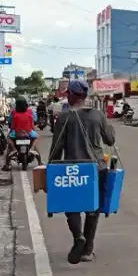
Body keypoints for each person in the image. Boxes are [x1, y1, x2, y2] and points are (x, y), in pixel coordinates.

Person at [49, 80, 116, 264]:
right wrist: (110, 128)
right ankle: (87, 251)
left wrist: (50, 169)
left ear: (73, 95)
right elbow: (109, 141)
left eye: (68, 93)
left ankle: (78, 236)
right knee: (93, 209)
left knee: (71, 206)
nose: (66, 96)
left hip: (72, 168)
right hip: (95, 168)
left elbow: (56, 147)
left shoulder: (64, 118)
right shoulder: (98, 115)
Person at [4, 97, 40, 170]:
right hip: (28, 132)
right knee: (35, 142)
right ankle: (40, 162)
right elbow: (33, 122)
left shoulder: (14, 113)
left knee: (9, 146)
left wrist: (11, 131)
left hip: (17, 133)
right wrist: (33, 130)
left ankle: (7, 164)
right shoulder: (30, 112)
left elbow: (12, 125)